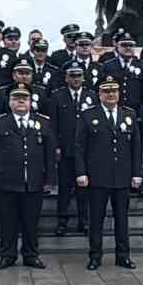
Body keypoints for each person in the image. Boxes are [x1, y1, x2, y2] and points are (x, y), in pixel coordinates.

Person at [75, 72, 143, 271]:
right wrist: (81, 172)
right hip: (97, 177)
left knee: (122, 219)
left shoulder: (129, 115)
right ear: (99, 94)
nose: (111, 94)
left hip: (122, 176)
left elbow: (136, 147)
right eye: (106, 91)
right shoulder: (88, 115)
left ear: (119, 93)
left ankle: (123, 256)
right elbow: (79, 147)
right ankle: (95, 256)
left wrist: (137, 173)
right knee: (96, 220)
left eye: (114, 91)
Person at [0, 86, 57, 269]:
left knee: (31, 222)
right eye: (16, 98)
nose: (21, 101)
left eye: (25, 98)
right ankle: (7, 255)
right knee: (8, 221)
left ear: (31, 102)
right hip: (7, 182)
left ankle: (31, 255)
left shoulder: (43, 122)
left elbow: (50, 155)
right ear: (9, 103)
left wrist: (49, 179)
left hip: (34, 181)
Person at [49, 64, 96, 237]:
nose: (76, 79)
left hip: (86, 151)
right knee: (65, 188)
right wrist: (56, 147)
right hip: (66, 150)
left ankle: (83, 221)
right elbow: (52, 125)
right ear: (66, 77)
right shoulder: (57, 96)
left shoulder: (92, 96)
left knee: (84, 189)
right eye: (72, 76)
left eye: (79, 76)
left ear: (83, 77)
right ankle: (62, 222)